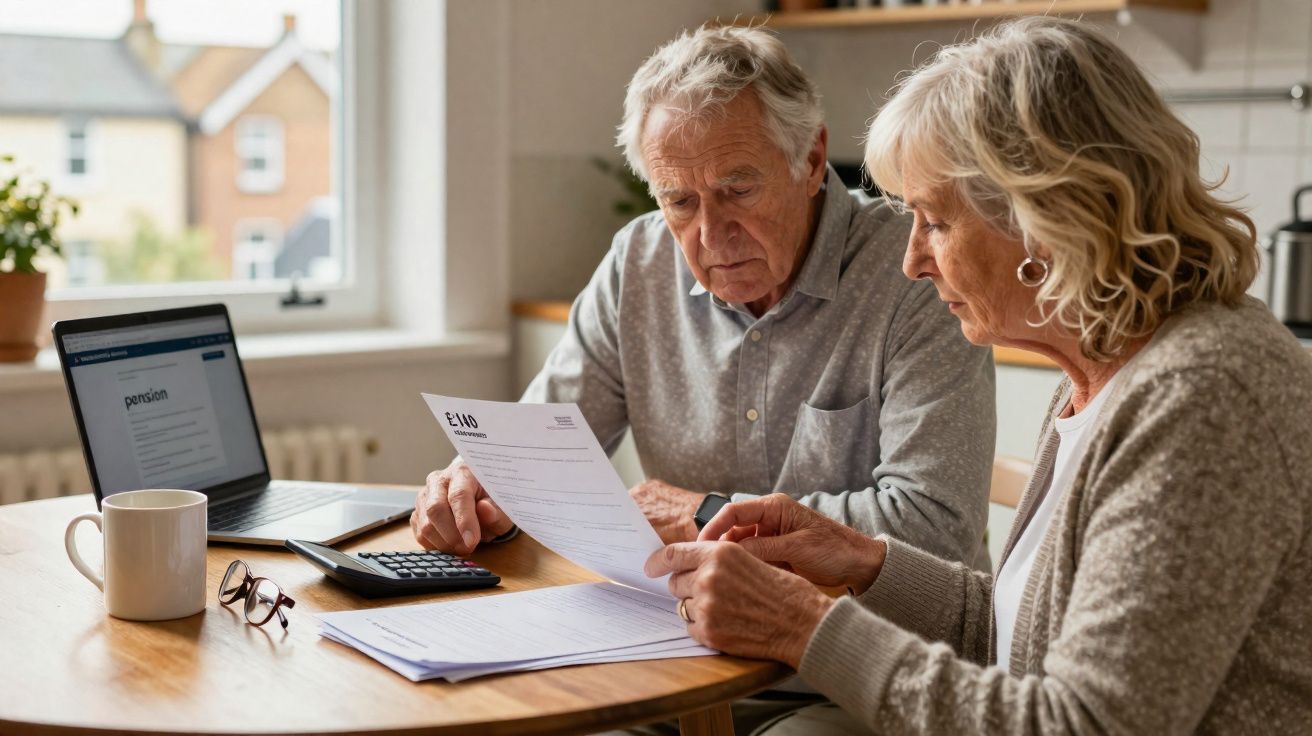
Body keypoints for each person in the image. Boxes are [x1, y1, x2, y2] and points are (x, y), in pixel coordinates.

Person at [646, 16, 1312, 735]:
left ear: (1045, 220)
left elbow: (1080, 725)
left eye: (933, 220)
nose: (912, 260)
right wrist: (860, 559)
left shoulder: (1202, 398)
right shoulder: (1101, 374)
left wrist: (804, 626)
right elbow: (1021, 641)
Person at [411, 25, 996, 572]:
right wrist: (483, 479)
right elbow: (539, 452)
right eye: (680, 203)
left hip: (867, 658)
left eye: (738, 189)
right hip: (692, 639)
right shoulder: (638, 262)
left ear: (813, 160)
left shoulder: (917, 269)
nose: (712, 236)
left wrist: (706, 514)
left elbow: (934, 525)